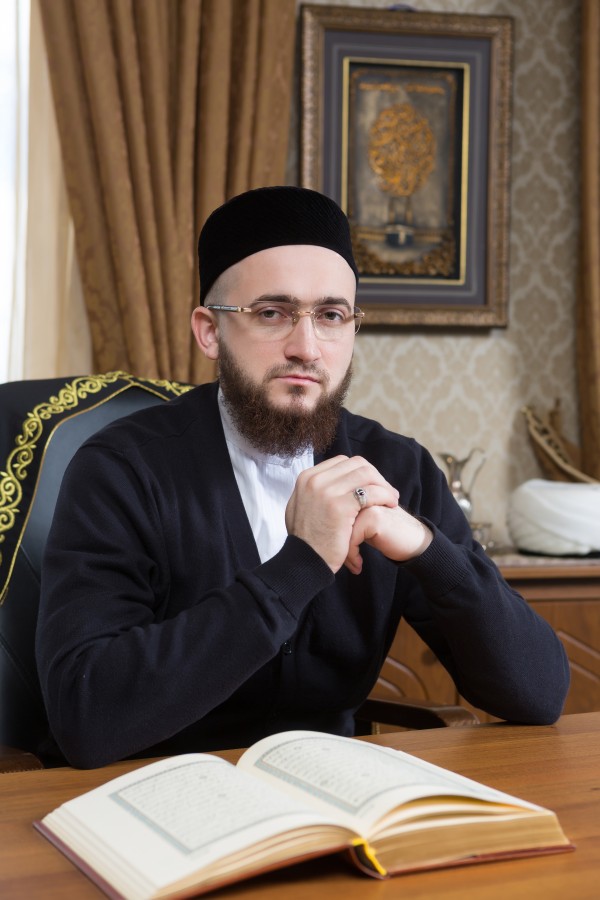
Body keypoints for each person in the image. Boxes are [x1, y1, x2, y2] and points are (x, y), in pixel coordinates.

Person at [36, 186, 570, 769]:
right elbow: (86, 716)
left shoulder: (399, 469)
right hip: (154, 794)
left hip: (332, 796)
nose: (306, 347)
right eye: (272, 313)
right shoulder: (121, 468)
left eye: (331, 316)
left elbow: (538, 694)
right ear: (210, 331)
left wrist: (427, 549)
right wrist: (302, 564)